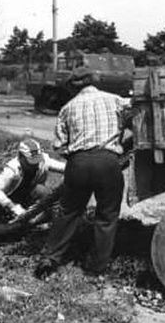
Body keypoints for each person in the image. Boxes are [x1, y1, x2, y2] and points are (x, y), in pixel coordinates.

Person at [34, 70, 131, 279]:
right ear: (96, 82)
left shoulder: (67, 108)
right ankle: (96, 267)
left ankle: (50, 258)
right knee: (106, 215)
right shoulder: (116, 100)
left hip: (78, 164)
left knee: (68, 212)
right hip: (107, 162)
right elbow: (135, 114)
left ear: (72, 87)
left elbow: (59, 145)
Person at [0, 138, 64, 225]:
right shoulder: (12, 169)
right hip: (9, 197)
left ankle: (41, 221)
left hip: (28, 194)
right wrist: (12, 207)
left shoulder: (43, 161)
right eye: (31, 161)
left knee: (43, 191)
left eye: (37, 160)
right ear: (21, 156)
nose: (35, 164)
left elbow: (64, 167)